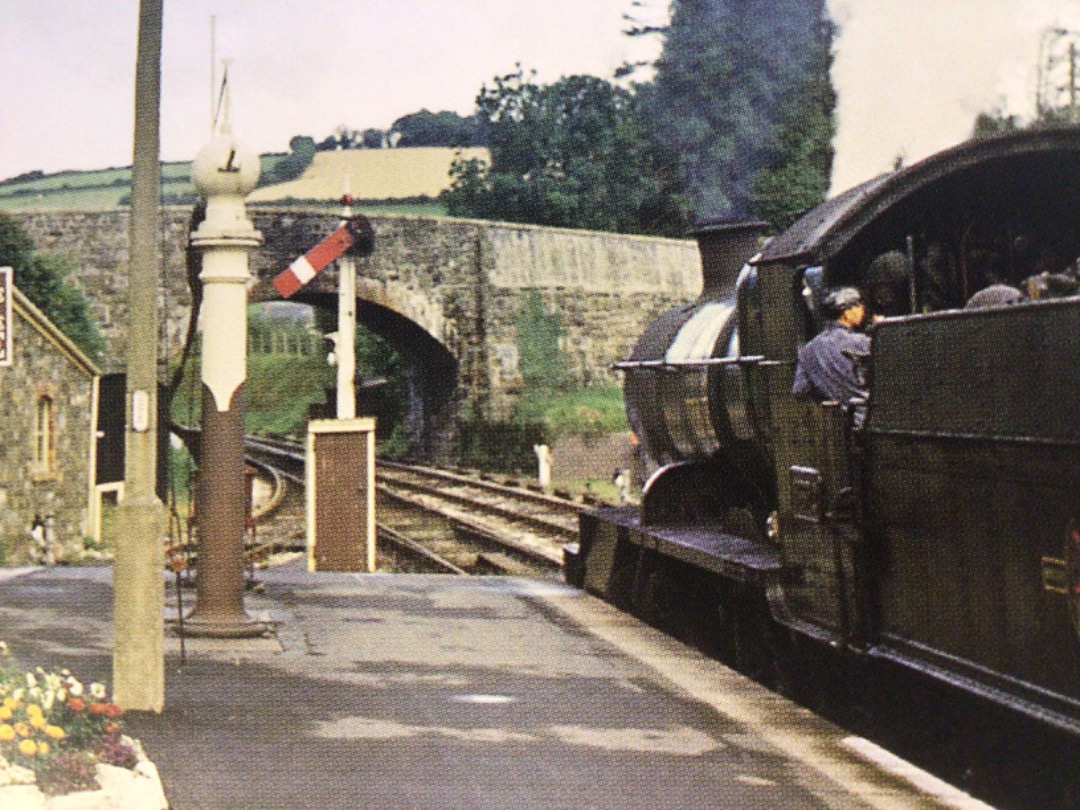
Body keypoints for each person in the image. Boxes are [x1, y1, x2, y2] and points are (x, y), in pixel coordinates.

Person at [792, 287, 871, 421]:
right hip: (870, 419)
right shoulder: (862, 342)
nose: (862, 310)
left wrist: (827, 387)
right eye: (858, 305)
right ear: (846, 312)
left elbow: (799, 390)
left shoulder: (808, 350)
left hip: (839, 423)